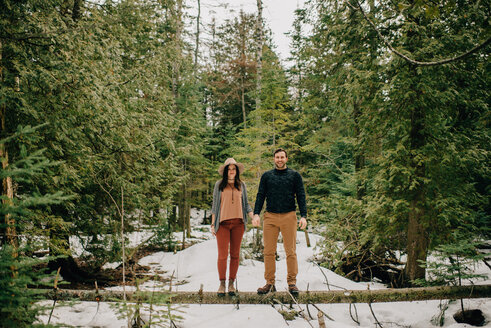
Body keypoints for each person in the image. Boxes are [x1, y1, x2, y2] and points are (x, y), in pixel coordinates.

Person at [252, 148, 307, 295]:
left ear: (286, 159)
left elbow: (301, 195)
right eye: (277, 157)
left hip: (289, 216)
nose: (280, 159)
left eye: (282, 157)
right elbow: (260, 195)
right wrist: (256, 213)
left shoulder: (295, 176)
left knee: (291, 251)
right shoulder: (266, 176)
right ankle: (270, 283)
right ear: (274, 159)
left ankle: (292, 283)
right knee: (269, 251)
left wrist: (304, 216)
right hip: (270, 216)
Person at [211, 158, 253, 296]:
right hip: (222, 224)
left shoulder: (241, 185)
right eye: (229, 169)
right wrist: (213, 224)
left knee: (235, 255)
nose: (231, 171)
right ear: (225, 171)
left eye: (234, 169)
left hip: (238, 224)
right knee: (222, 255)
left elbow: (246, 204)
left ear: (237, 171)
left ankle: (231, 284)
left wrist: (253, 216)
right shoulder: (219, 185)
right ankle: (222, 283)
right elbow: (215, 207)